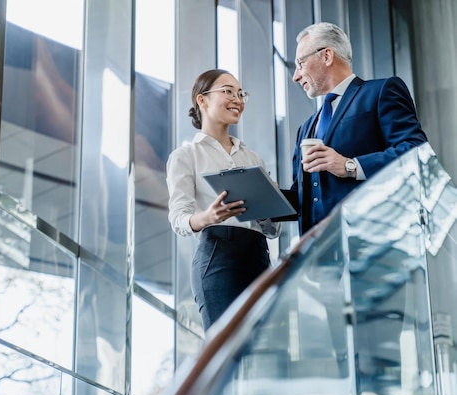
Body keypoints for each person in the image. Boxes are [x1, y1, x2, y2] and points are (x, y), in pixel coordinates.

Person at [166, 69, 281, 331]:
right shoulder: (186, 156)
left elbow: (272, 230)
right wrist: (207, 217)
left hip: (258, 255)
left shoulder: (253, 159)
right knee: (226, 351)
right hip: (217, 255)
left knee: (264, 347)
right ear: (202, 100)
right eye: (228, 91)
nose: (237, 99)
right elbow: (178, 218)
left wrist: (267, 206)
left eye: (241, 94)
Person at [291, 22, 428, 235]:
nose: (296, 76)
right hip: (318, 254)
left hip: (373, 241)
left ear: (326, 56)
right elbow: (303, 195)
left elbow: (415, 151)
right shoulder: (305, 128)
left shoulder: (381, 91)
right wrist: (262, 201)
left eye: (300, 63)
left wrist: (350, 166)